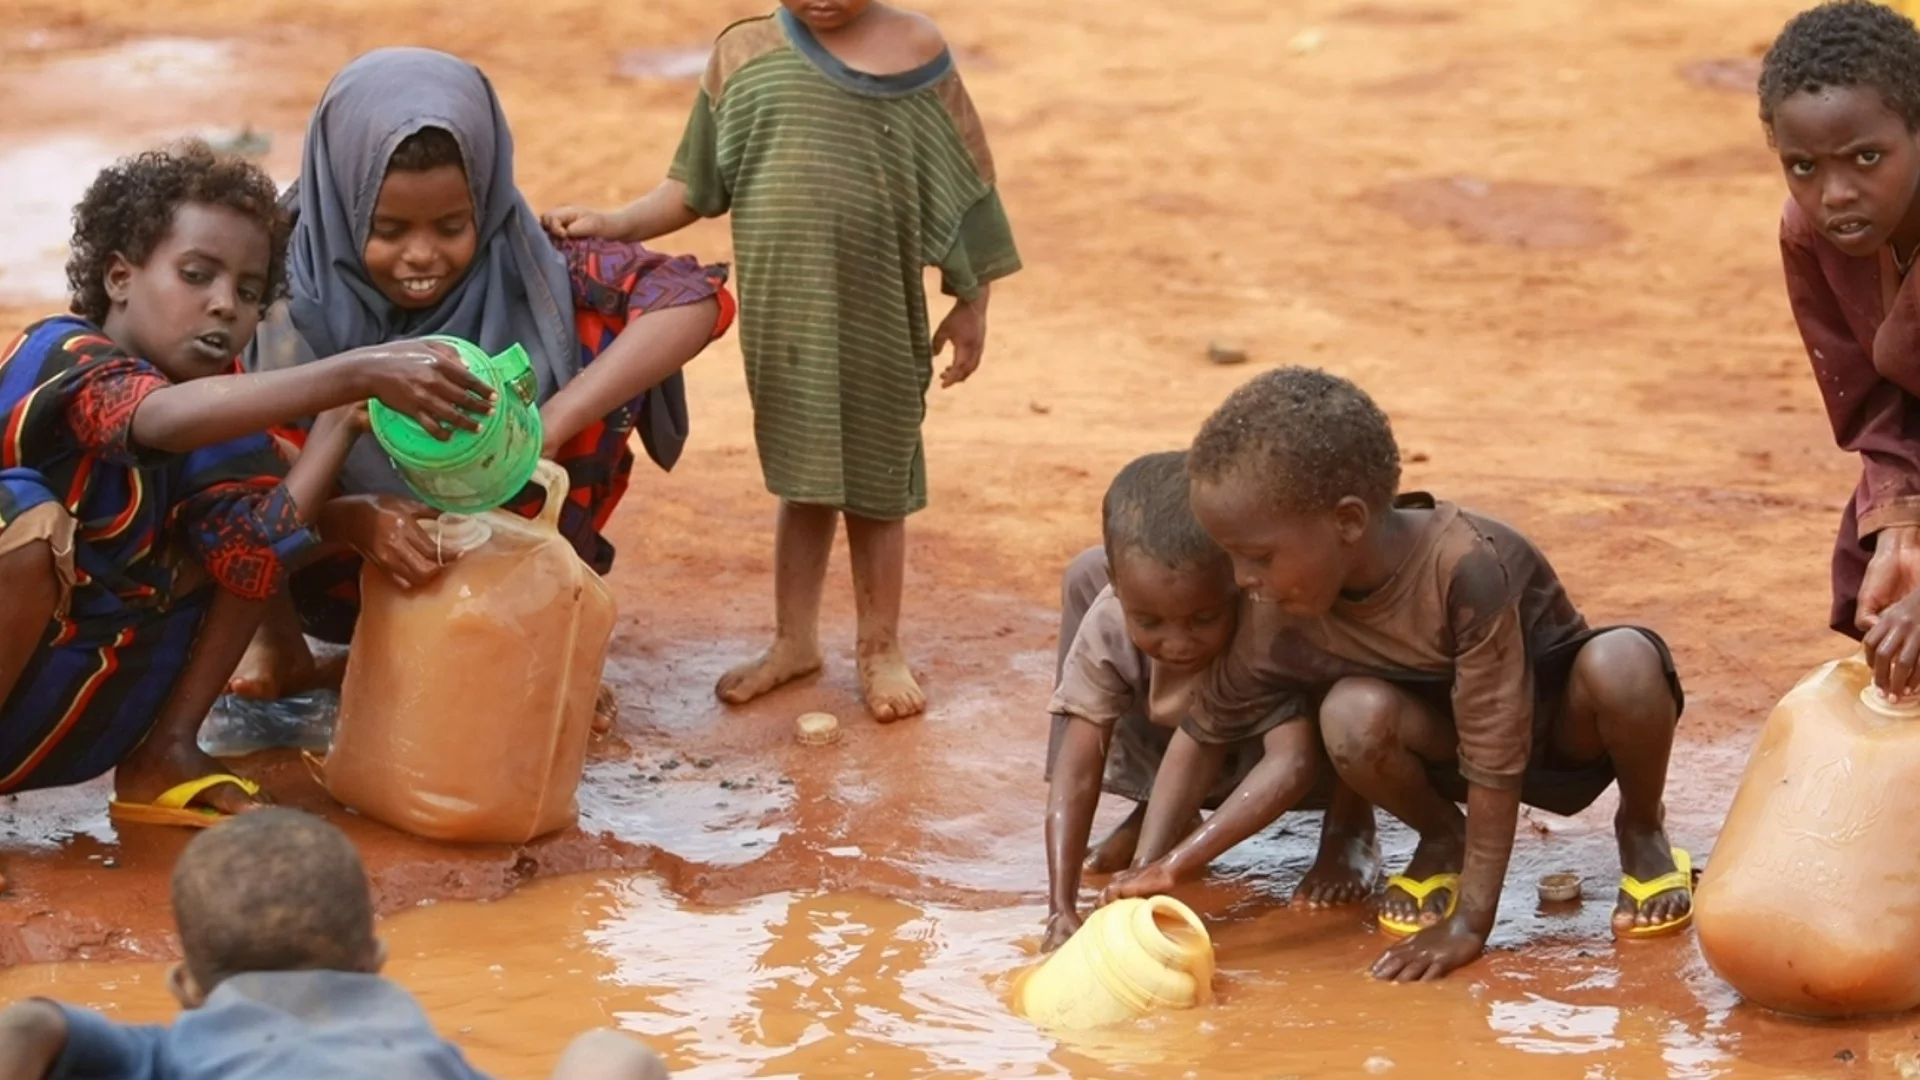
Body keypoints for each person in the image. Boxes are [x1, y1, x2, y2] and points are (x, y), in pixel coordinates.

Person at [0, 141, 491, 869]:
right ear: (119, 277)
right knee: (24, 518)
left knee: (239, 542)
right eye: (196, 276)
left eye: (250, 289)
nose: (226, 304)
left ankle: (165, 754)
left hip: (59, 716)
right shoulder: (63, 354)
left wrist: (342, 419)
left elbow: (256, 549)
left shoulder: (221, 416)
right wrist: (352, 370)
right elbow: (155, 418)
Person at [544, 0, 1021, 722]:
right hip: (785, 317)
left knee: (878, 483)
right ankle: (793, 641)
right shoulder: (744, 54)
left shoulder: (919, 52)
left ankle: (879, 647)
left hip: (881, 314)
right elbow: (694, 187)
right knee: (802, 481)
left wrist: (971, 302)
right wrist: (613, 221)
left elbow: (966, 191)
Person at [236, 48, 734, 722]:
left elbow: (690, 297)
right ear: (342, 204)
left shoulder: (527, 264)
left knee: (591, 340)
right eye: (387, 230)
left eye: (451, 226)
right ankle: (274, 640)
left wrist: (549, 425)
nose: (421, 256)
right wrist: (350, 520)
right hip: (331, 568)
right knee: (228, 412)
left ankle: (529, 628)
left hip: (493, 557)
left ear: (489, 200)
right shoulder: (265, 289)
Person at [1183, 367, 1690, 981]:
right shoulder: (1289, 599)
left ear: (1347, 522)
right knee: (1350, 712)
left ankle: (1641, 827)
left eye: (1257, 557)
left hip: (1553, 736)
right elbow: (1206, 725)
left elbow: (1498, 743)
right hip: (1447, 749)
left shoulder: (1465, 566)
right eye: (1232, 558)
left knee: (1625, 664)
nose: (1241, 580)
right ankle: (1442, 834)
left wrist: (1470, 924)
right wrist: (1158, 866)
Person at [0, 808, 671, 1080]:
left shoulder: (172, 1052)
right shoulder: (427, 1058)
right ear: (376, 964)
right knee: (606, 1053)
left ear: (187, 989)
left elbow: (28, 1025)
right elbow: (621, 1059)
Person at [1044, 452, 1376, 951]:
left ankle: (1349, 829)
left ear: (1238, 581)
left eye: (1202, 619)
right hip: (1197, 750)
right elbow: (1078, 768)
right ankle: (1157, 810)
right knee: (1096, 690)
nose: (1178, 643)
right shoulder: (1111, 620)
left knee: (1346, 686)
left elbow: (1294, 761)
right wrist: (1060, 907)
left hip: (1293, 765)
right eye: (1151, 622)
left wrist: (1171, 866)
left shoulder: (1268, 621)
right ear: (1118, 585)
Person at [1761, 0, 1920, 697]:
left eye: (1866, 157)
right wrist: (1901, 527)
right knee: (1881, 579)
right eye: (1803, 166)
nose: (1836, 194)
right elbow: (1873, 402)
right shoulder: (1810, 235)